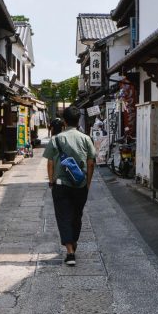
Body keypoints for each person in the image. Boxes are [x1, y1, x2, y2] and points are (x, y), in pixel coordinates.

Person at [43, 107, 96, 266]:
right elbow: (91, 163)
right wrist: (88, 183)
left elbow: (50, 162)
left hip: (61, 185)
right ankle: (72, 243)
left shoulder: (56, 139)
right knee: (77, 215)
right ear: (78, 119)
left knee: (63, 216)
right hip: (80, 184)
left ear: (64, 121)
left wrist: (51, 181)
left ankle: (70, 251)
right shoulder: (86, 139)